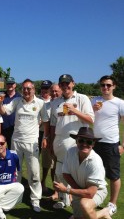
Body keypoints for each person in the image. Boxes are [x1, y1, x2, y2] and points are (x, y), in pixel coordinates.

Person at [0, 78, 50, 212]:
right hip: (17, 141)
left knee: (34, 173)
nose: (26, 91)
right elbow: (4, 112)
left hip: (32, 142)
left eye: (29, 88)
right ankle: (16, 197)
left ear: (34, 90)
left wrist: (45, 137)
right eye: (24, 88)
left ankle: (35, 200)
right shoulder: (17, 101)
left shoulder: (40, 103)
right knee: (16, 171)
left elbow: (45, 122)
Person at [50, 74, 94, 209]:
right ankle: (64, 200)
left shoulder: (82, 98)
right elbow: (53, 124)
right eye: (62, 84)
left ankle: (76, 201)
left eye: (67, 83)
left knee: (72, 173)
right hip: (58, 140)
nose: (65, 86)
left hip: (75, 141)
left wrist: (75, 111)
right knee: (59, 173)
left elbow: (90, 120)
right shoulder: (56, 102)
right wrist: (51, 143)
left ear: (73, 83)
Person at [53, 127, 111, 219]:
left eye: (89, 142)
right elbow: (66, 173)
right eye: (81, 141)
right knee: (79, 217)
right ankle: (103, 212)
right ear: (76, 141)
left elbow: (90, 193)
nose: (84, 144)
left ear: (93, 144)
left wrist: (67, 190)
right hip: (80, 188)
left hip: (97, 191)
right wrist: (78, 190)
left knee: (85, 204)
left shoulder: (95, 162)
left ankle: (103, 212)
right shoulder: (70, 152)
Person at [91, 75, 124, 216]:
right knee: (94, 173)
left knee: (113, 175)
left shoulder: (120, 103)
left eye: (108, 85)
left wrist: (123, 145)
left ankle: (112, 204)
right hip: (95, 143)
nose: (105, 87)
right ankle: (94, 200)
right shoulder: (94, 100)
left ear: (114, 86)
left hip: (111, 143)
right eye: (103, 85)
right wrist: (93, 109)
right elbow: (87, 116)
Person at [0, 134, 24, 219]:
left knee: (20, 188)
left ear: (6, 144)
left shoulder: (14, 156)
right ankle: (4, 203)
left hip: (11, 184)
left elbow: (17, 170)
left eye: (2, 143)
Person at [0, 77, 22, 149]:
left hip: (13, 128)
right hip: (1, 127)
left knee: (13, 150)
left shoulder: (19, 97)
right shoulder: (1, 94)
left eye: (11, 83)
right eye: (8, 84)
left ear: (15, 85)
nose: (10, 85)